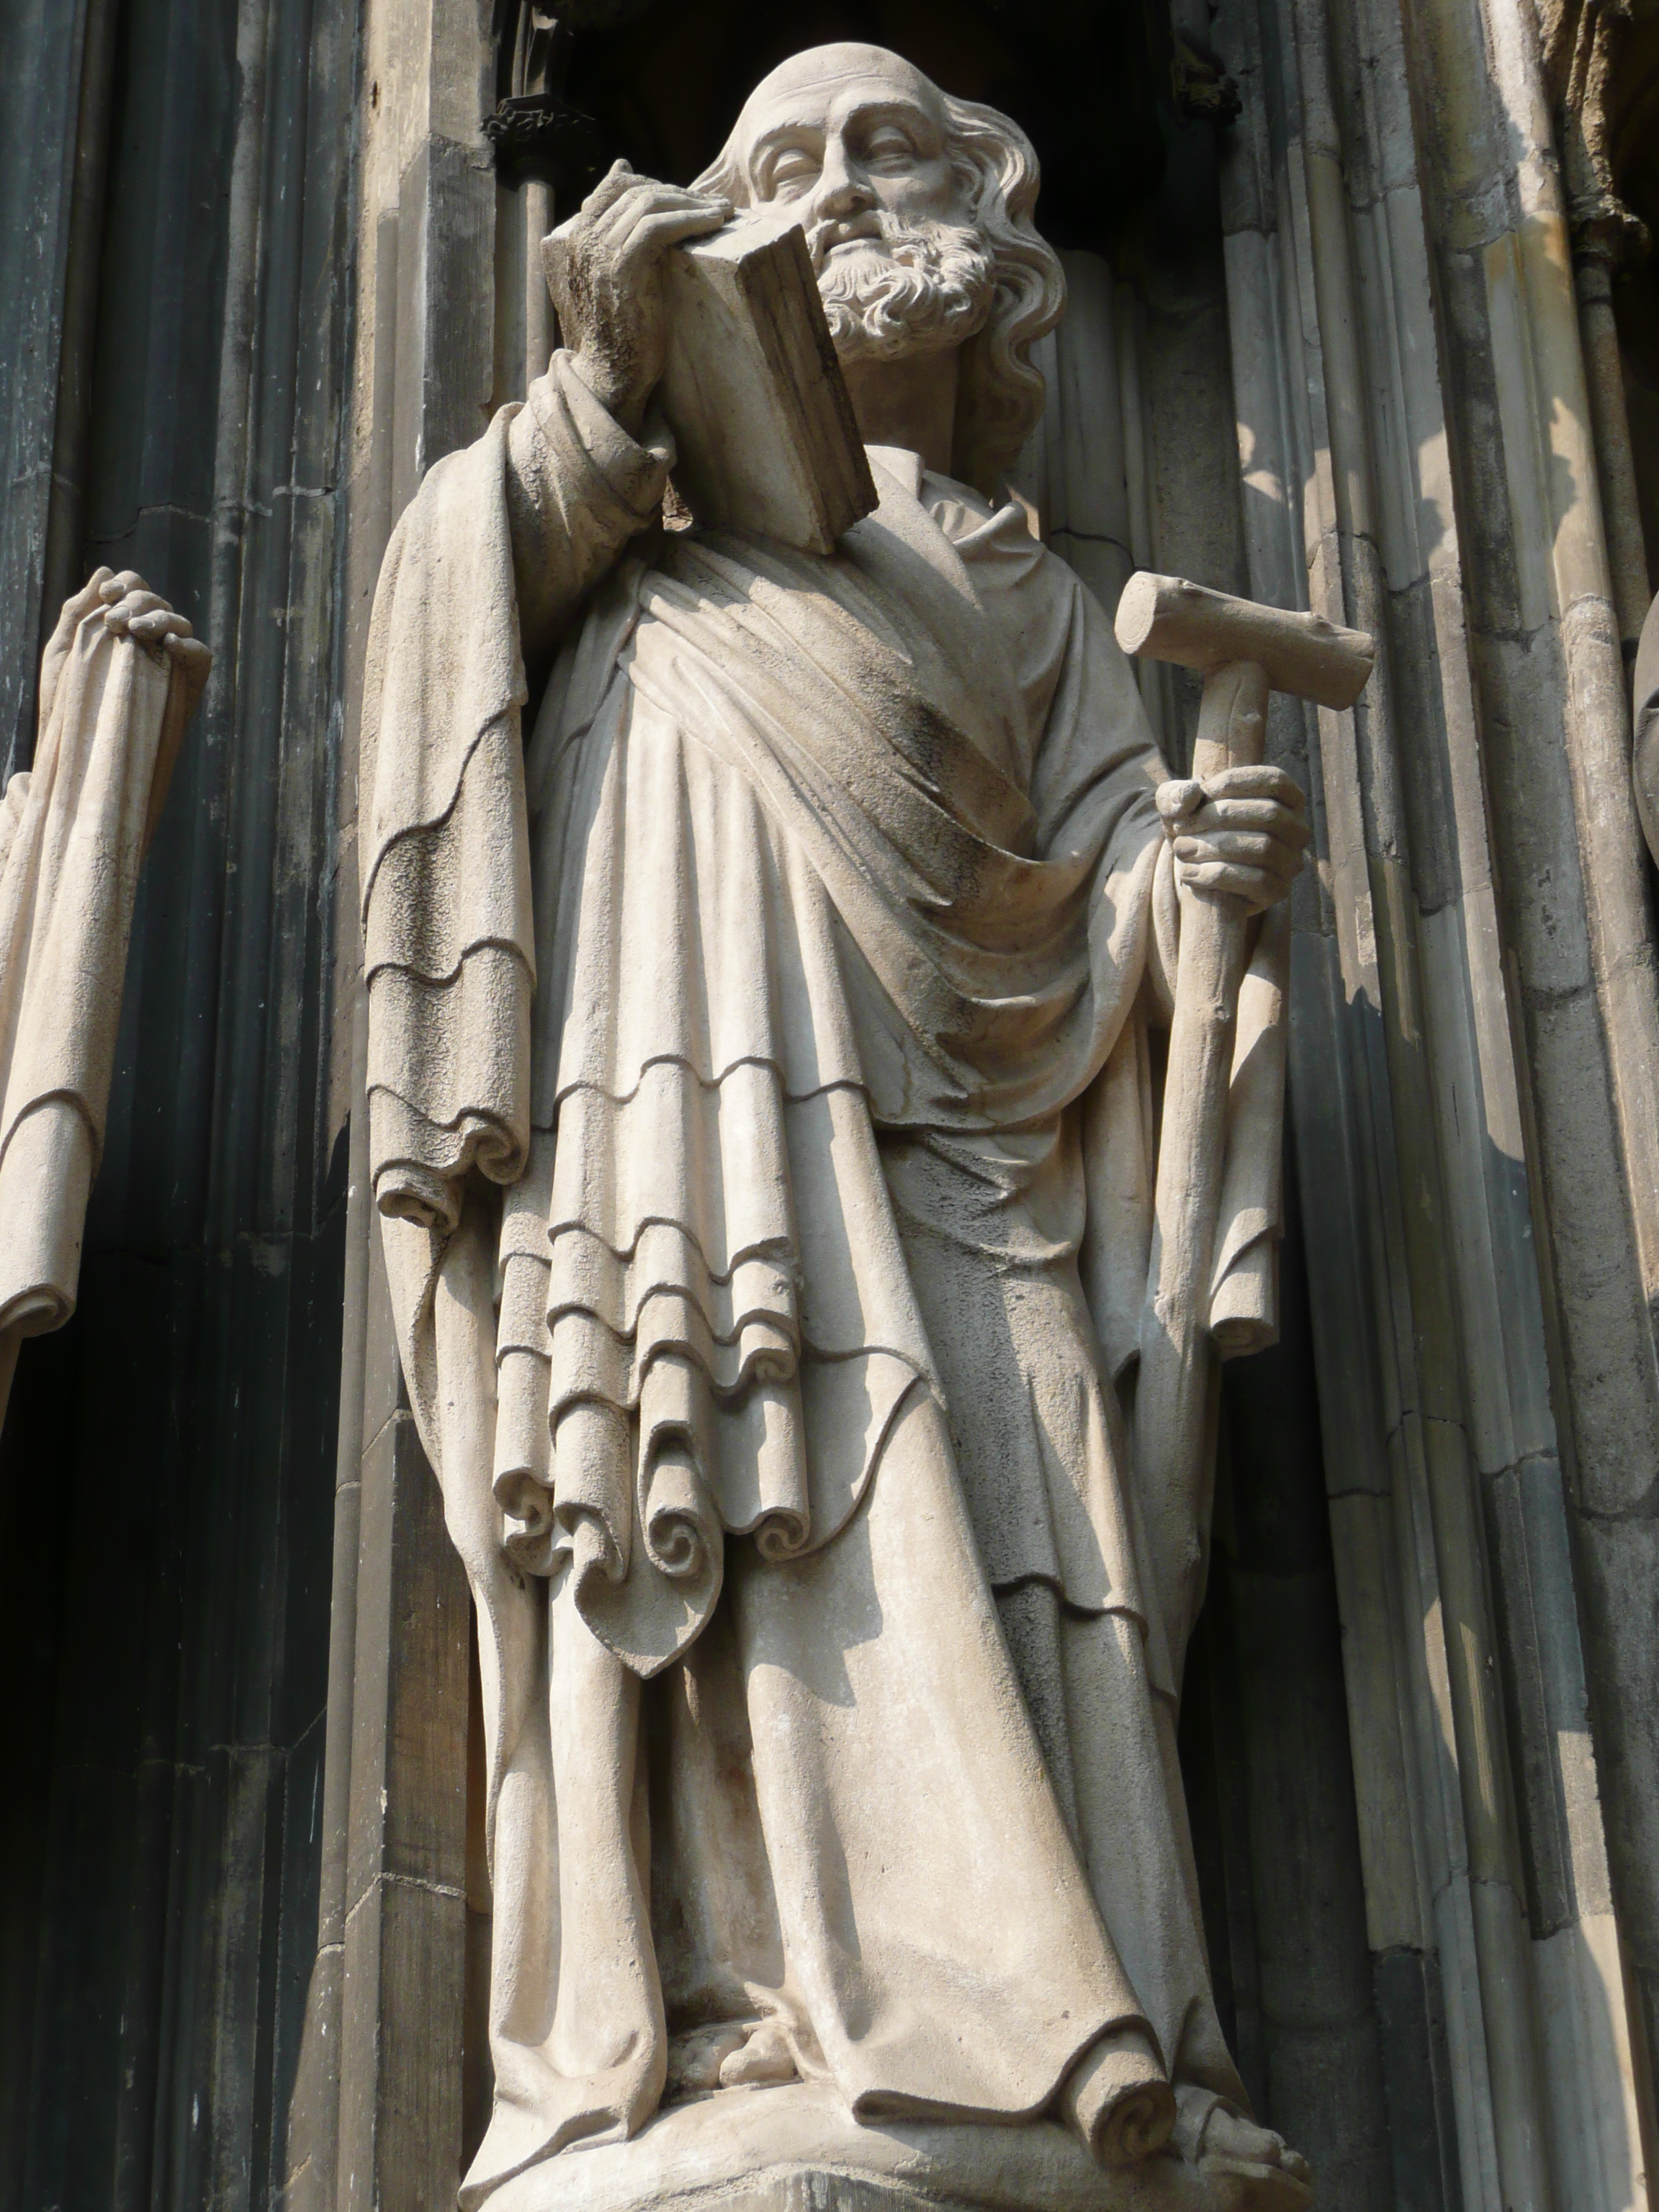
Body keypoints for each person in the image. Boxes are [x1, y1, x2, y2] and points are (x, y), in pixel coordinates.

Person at [360, 42, 1311, 2208]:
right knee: (721, 1484)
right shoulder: (643, 521)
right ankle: (721, 2013)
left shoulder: (1042, 597)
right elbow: (441, 618)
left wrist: (1201, 883)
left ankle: (1076, 2029)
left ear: (995, 243)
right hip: (685, 1128)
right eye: (783, 163)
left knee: (1019, 1514)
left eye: (891, 149)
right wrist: (607, 399)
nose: (844, 193)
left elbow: (1101, 925)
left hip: (971, 1168)